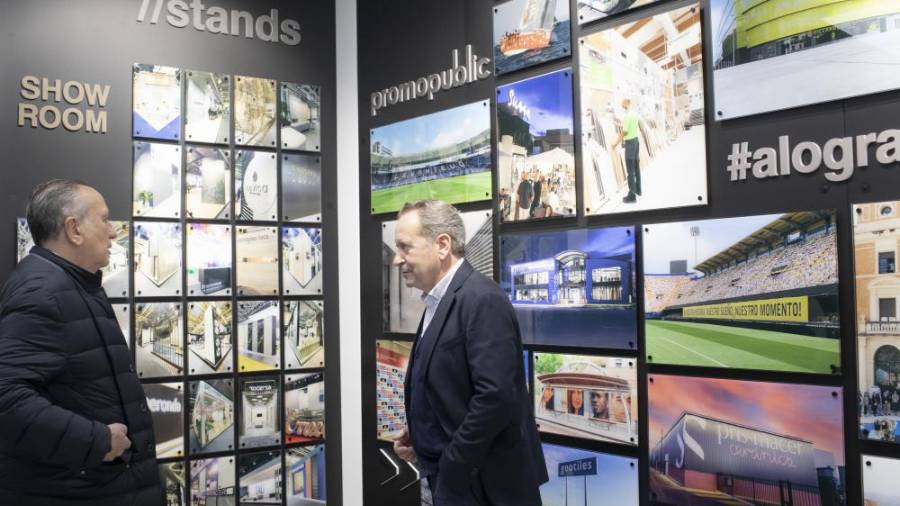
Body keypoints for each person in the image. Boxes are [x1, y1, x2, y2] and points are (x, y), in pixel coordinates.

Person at [0, 180, 162, 505]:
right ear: (74, 229)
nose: (113, 232)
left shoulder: (73, 285)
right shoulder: (42, 292)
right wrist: (96, 441)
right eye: (104, 219)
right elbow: (6, 396)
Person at [391, 200, 547, 506]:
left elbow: (495, 398)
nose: (397, 259)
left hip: (484, 489)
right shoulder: (439, 301)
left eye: (405, 247)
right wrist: (422, 437)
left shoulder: (482, 299)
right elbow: (451, 385)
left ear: (442, 245)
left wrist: (452, 464)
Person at [610, 98, 642, 203]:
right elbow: (629, 126)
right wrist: (619, 124)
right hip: (636, 142)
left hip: (630, 144)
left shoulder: (627, 116)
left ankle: (632, 196)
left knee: (630, 170)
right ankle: (638, 190)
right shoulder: (634, 114)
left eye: (623, 103)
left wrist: (615, 144)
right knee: (636, 167)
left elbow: (625, 132)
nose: (621, 105)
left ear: (627, 103)